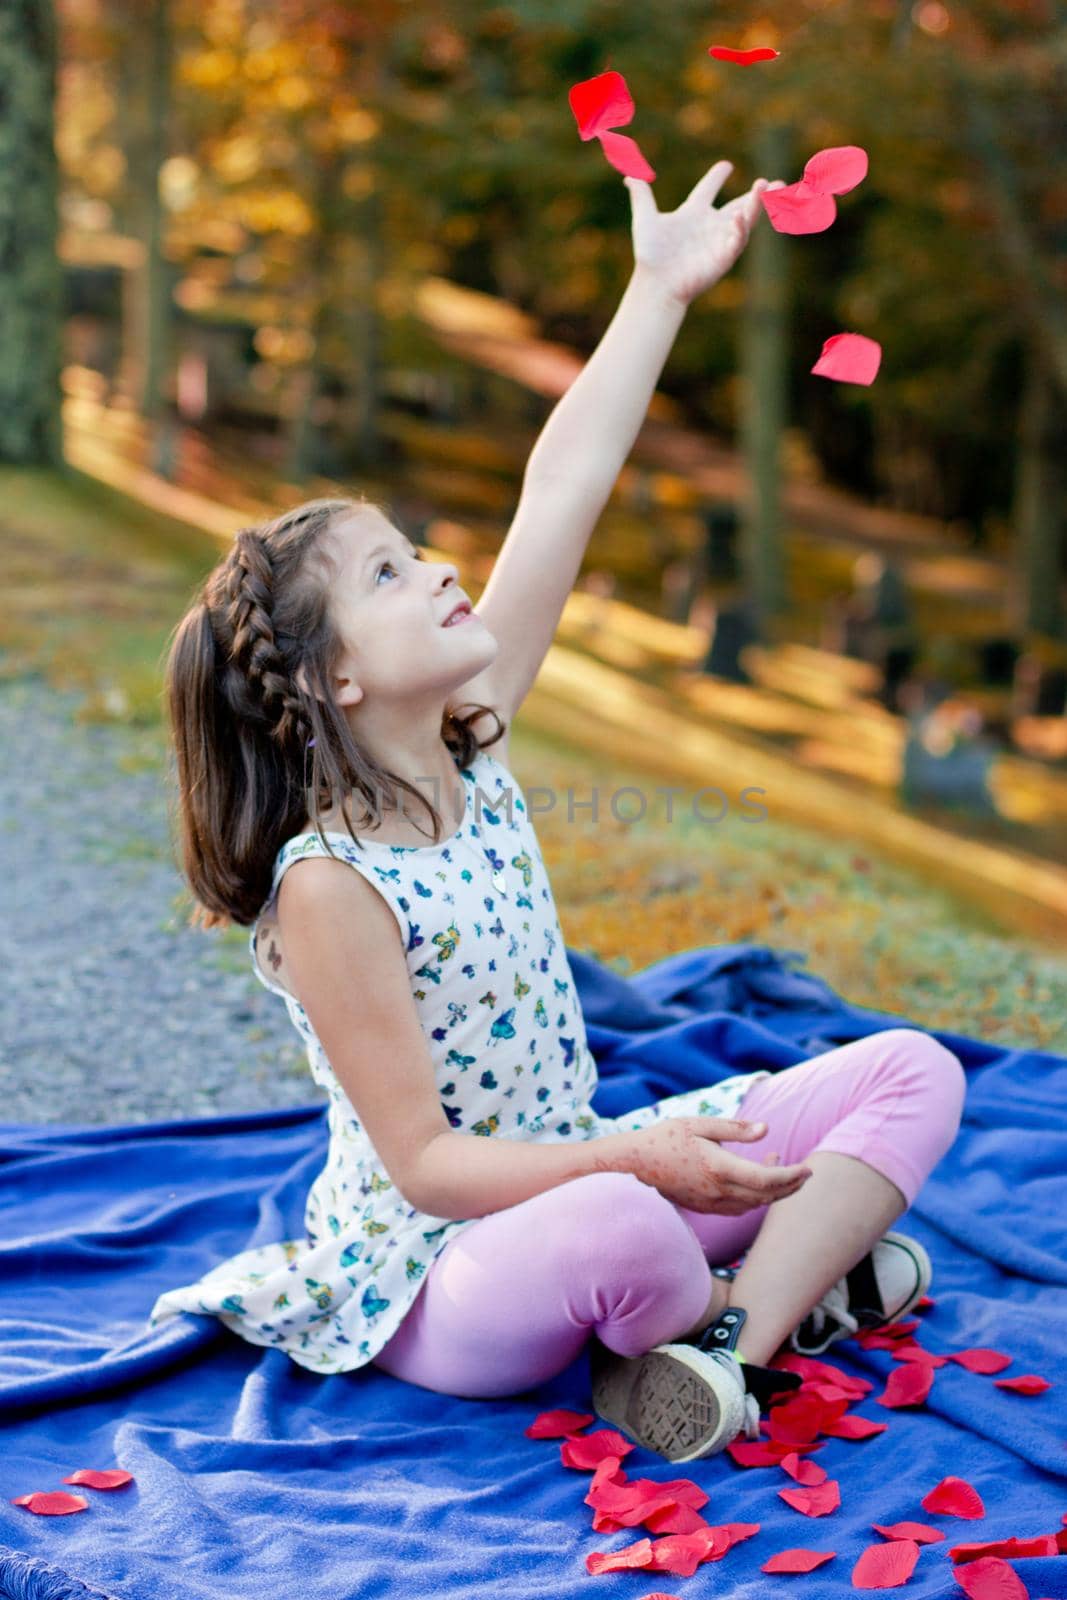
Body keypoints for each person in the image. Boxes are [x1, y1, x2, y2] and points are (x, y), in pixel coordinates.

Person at [148, 158, 966, 1466]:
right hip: (444, 1273)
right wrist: (645, 1169)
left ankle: (718, 1348)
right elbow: (427, 1166)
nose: (441, 568)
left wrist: (656, 289)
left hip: (589, 1163)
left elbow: (563, 489)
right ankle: (786, 1300)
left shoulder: (475, 748)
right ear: (336, 678)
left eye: (414, 550)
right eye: (390, 572)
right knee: (632, 1228)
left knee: (911, 1070)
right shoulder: (329, 888)